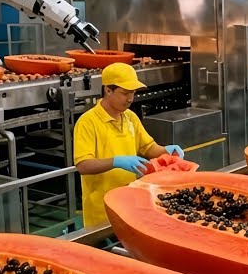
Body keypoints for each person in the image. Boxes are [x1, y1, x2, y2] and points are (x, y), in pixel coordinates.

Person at [74, 63, 184, 227]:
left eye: (133, 92)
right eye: (124, 93)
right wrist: (116, 161)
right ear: (108, 90)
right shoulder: (87, 122)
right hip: (101, 209)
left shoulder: (130, 117)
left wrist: (166, 152)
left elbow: (147, 147)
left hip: (130, 203)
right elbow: (83, 165)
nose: (130, 99)